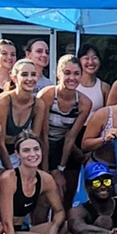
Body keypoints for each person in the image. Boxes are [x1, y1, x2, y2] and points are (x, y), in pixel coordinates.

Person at [38, 54, 93, 204]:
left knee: (65, 190)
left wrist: (60, 169)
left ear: (81, 76)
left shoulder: (84, 103)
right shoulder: (47, 95)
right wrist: (47, 170)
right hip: (42, 143)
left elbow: (70, 137)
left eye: (76, 74)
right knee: (43, 195)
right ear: (58, 74)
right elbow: (42, 134)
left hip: (63, 144)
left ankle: (65, 221)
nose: (72, 78)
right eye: (67, 73)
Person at [0, 58, 49, 166]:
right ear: (14, 78)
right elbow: (0, 142)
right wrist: (12, 172)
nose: (30, 78)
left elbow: (34, 140)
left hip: (20, 155)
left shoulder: (39, 104)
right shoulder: (3, 101)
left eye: (33, 74)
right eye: (24, 74)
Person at [76, 42, 110, 113]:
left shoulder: (104, 88)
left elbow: (109, 114)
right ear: (79, 61)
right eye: (86, 58)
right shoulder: (73, 85)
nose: (91, 62)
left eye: (94, 58)